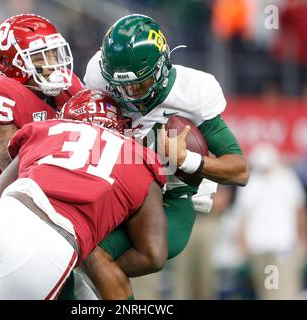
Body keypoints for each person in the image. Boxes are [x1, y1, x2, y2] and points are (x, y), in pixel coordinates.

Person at [0, 89, 168, 300]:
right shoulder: (140, 158)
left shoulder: (47, 131)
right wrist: (92, 260)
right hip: (49, 245)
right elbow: (153, 255)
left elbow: (1, 191)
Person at [82, 14, 249, 299]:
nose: (129, 94)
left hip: (170, 198)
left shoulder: (193, 91)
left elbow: (239, 170)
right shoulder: (98, 76)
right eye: (120, 86)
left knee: (111, 262)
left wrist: (187, 160)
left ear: (162, 67)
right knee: (80, 260)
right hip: (114, 193)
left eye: (140, 85)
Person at [0, 14, 84, 299]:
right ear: (13, 64)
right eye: (41, 56)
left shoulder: (67, 86)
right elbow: (17, 171)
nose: (52, 63)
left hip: (48, 220)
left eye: (54, 52)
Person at [235, 143, 307, 299]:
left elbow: (300, 209)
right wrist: (242, 241)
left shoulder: (286, 177)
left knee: (283, 291)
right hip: (258, 247)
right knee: (267, 291)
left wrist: (303, 237)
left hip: (282, 246)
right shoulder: (250, 180)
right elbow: (243, 214)